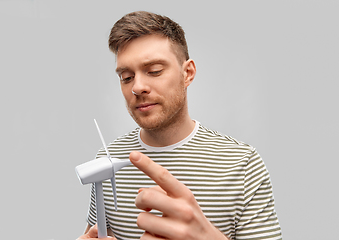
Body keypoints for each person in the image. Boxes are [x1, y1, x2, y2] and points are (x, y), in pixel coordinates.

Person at [77, 11, 282, 240]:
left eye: (154, 71)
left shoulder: (243, 164)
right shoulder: (106, 160)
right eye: (126, 77)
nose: (138, 87)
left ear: (188, 73)